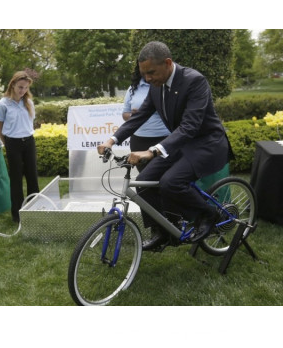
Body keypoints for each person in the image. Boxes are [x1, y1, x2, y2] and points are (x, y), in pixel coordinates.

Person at [98, 41, 234, 250]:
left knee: (171, 182)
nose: (147, 78)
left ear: (168, 63)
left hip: (207, 144)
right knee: (143, 182)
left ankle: (208, 215)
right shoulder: (156, 87)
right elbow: (138, 118)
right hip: (181, 144)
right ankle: (162, 231)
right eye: (144, 74)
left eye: (151, 72)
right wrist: (112, 140)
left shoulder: (194, 81)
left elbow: (190, 126)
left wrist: (152, 151)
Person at [0, 71, 39, 223]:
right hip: (12, 143)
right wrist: (8, 143)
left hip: (29, 142)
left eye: (25, 88)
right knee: (16, 179)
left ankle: (35, 210)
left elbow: (29, 124)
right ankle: (18, 215)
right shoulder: (3, 104)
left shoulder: (28, 102)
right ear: (12, 85)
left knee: (32, 176)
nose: (22, 91)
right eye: (20, 87)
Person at [123, 60, 171, 172]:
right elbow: (125, 114)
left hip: (164, 138)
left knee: (165, 179)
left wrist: (155, 110)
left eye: (151, 71)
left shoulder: (164, 84)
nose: (148, 76)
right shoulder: (133, 88)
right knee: (145, 180)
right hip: (139, 140)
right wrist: (134, 116)